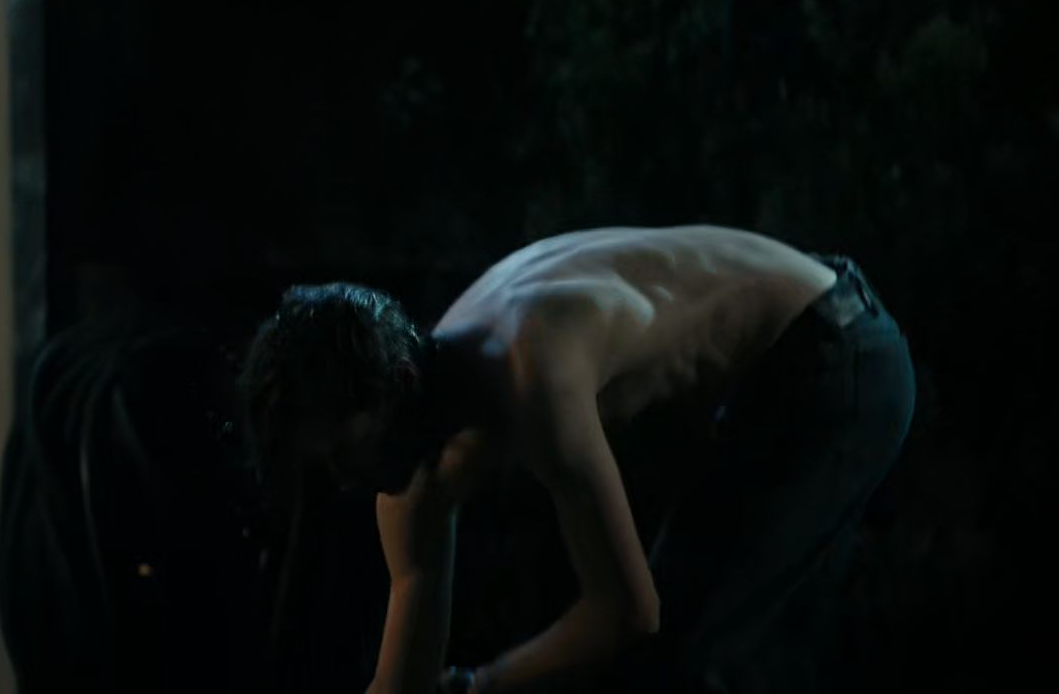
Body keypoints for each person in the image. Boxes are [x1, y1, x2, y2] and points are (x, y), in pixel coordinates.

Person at [236, 225, 916, 694]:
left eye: (346, 451)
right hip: (769, 382)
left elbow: (627, 610)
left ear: (397, 388)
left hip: (839, 354)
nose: (347, 481)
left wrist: (477, 687)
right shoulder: (409, 472)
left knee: (671, 659)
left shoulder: (528, 368)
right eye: (326, 466)